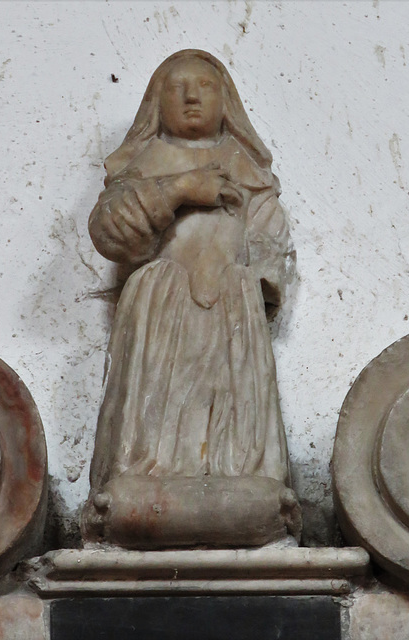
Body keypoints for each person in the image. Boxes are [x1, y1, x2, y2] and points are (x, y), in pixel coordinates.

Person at [85, 50, 297, 541]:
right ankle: (145, 480)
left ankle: (238, 479)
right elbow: (112, 232)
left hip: (231, 312)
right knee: (152, 415)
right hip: (159, 310)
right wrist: (179, 189)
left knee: (235, 420)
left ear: (227, 102)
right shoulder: (138, 167)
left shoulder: (249, 171)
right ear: (156, 104)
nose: (192, 96)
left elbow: (270, 240)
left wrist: (255, 276)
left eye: (205, 85)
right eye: (177, 87)